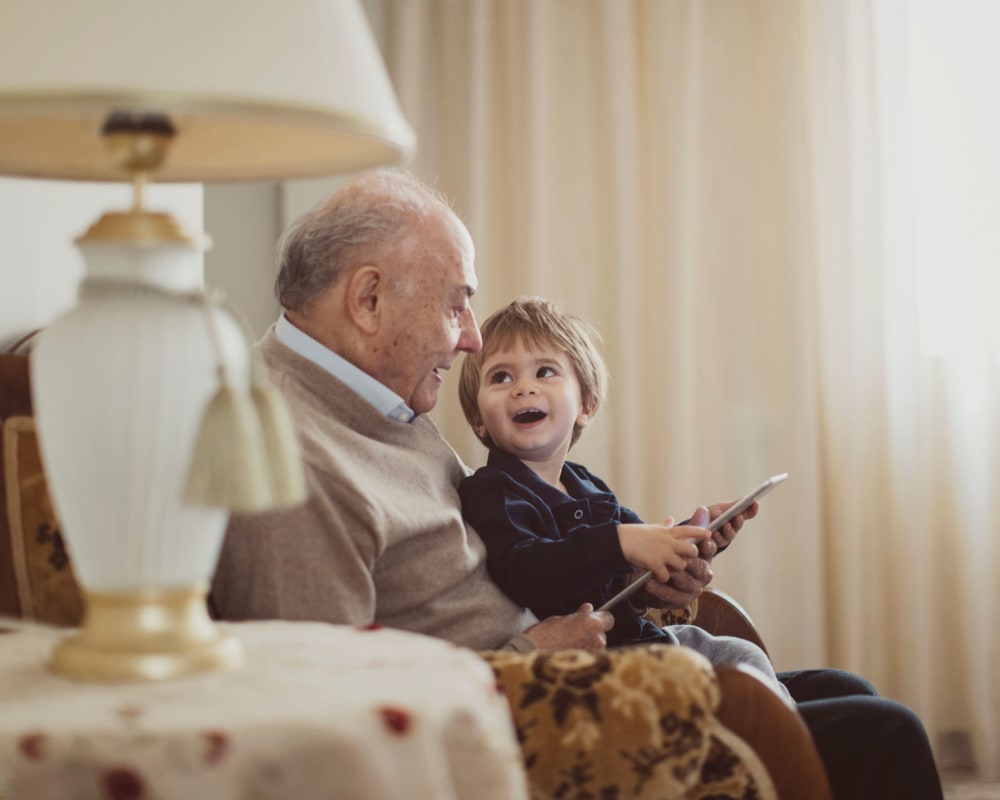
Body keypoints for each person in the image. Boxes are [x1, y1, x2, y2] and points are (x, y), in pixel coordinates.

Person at [211, 167, 944, 800]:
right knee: (885, 735)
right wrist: (537, 656)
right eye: (455, 302)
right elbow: (319, 716)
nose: (469, 336)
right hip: (537, 721)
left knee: (850, 694)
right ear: (368, 300)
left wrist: (641, 577)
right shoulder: (288, 447)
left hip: (579, 662)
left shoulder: (378, 399)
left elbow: (498, 554)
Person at [456, 296, 787, 694]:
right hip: (606, 666)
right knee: (745, 682)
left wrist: (690, 539)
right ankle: (777, 740)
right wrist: (621, 542)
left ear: (587, 405)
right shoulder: (490, 490)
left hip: (648, 640)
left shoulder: (586, 485)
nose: (523, 388)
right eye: (501, 378)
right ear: (478, 419)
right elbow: (527, 570)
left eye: (545, 371)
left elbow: (633, 563)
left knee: (744, 654)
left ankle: (784, 727)